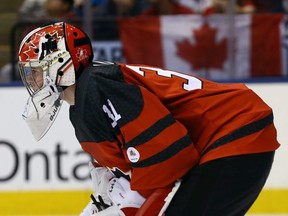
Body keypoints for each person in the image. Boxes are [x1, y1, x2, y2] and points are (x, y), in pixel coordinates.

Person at [18, 22, 279, 215]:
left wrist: (133, 203)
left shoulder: (97, 86)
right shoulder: (82, 104)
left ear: (61, 64)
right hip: (229, 134)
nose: (33, 81)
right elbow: (131, 169)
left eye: (37, 71)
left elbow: (169, 158)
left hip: (234, 130)